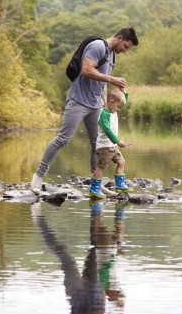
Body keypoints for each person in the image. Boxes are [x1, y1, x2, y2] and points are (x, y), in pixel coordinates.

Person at [30, 27, 139, 195]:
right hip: (78, 101)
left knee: (97, 144)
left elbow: (101, 83)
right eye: (125, 46)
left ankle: (95, 184)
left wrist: (103, 104)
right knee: (63, 139)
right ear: (119, 38)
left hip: (96, 105)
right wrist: (112, 79)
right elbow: (87, 70)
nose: (125, 51)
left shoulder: (112, 56)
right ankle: (37, 178)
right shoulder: (98, 46)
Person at [89, 89, 133, 199]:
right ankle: (94, 189)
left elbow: (123, 101)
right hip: (105, 147)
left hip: (112, 146)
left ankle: (120, 185)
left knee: (121, 162)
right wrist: (117, 141)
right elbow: (107, 130)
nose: (120, 109)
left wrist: (124, 92)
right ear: (111, 102)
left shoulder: (114, 110)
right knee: (101, 167)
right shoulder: (104, 114)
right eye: (119, 106)